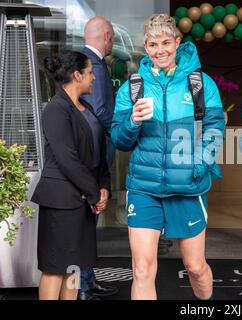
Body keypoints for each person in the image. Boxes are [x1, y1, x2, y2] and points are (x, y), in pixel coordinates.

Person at [111, 14, 225, 300]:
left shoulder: (200, 83)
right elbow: (119, 140)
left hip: (187, 188)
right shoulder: (133, 87)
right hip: (144, 188)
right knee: (142, 270)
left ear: (177, 42)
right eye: (152, 44)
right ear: (145, 48)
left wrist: (199, 163)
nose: (160, 50)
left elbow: (215, 130)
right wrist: (132, 122)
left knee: (195, 267)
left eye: (165, 42)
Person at [31, 51, 111, 300]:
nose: (94, 78)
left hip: (83, 200)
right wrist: (94, 192)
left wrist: (103, 185)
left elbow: (97, 150)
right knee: (55, 269)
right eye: (90, 73)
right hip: (62, 201)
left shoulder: (84, 107)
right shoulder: (56, 109)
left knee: (75, 266)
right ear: (77, 75)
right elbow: (68, 160)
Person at [78, 16, 118, 300]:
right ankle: (81, 285)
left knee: (89, 220)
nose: (113, 41)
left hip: (90, 154)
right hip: (93, 153)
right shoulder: (95, 67)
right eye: (113, 36)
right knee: (84, 221)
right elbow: (100, 112)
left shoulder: (84, 62)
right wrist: (123, 128)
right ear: (106, 36)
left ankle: (87, 280)